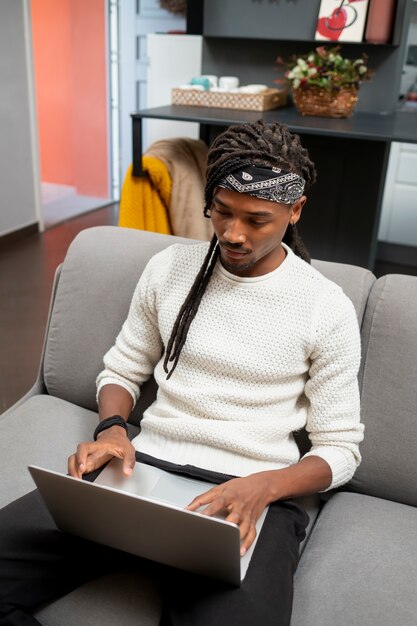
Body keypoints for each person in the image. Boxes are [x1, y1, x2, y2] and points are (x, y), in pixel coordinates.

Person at [0, 120, 364, 626]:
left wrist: (263, 487)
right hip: (141, 471)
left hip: (246, 491)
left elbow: (341, 450)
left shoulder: (325, 307)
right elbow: (121, 371)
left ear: (295, 211)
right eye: (222, 213)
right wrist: (111, 431)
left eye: (257, 220)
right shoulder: (170, 268)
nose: (234, 235)